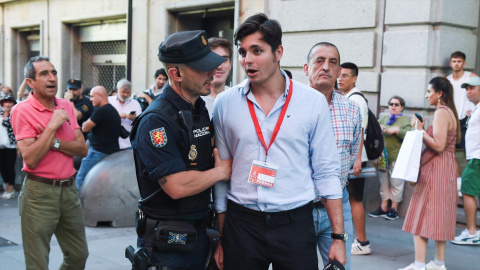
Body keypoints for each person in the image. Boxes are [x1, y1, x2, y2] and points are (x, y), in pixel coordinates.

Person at [213, 13, 345, 270]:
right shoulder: (225, 103)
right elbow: (222, 174)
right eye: (243, 52)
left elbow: (327, 172)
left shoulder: (312, 102)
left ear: (278, 52)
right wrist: (221, 236)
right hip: (242, 224)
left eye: (257, 50)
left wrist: (338, 237)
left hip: (294, 223)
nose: (247, 60)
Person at [130, 30, 232, 269]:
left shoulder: (198, 107)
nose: (211, 73)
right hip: (168, 242)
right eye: (202, 68)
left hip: (198, 231)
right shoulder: (156, 120)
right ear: (176, 73)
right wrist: (221, 172)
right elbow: (176, 186)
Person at [10, 56, 89, 269]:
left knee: (79, 256)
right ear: (30, 83)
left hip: (69, 190)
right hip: (39, 194)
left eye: (53, 72)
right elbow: (31, 158)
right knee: (37, 264)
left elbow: (82, 148)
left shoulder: (66, 106)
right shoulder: (21, 110)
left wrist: (49, 141)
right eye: (44, 74)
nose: (52, 78)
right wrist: (53, 125)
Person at [304, 42, 362, 270]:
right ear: (306, 68)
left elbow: (351, 152)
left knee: (339, 267)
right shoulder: (289, 107)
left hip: (338, 209)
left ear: (339, 71)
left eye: (333, 62)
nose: (326, 67)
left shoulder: (351, 110)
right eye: (319, 60)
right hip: (298, 211)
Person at [400, 77, 460, 270]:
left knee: (421, 215)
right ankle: (438, 264)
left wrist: (419, 130)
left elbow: (439, 146)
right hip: (446, 168)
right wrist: (424, 130)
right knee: (440, 217)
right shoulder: (451, 112)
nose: (426, 96)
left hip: (436, 168)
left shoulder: (442, 112)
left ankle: (419, 266)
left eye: (429, 91)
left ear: (439, 93)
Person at [338, 61, 371, 255]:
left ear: (354, 78)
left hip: (355, 159)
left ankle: (363, 242)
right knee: (350, 199)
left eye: (345, 76)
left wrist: (357, 159)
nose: (340, 79)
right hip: (350, 158)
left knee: (355, 200)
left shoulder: (356, 100)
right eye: (339, 75)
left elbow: (361, 132)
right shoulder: (347, 97)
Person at [369, 96, 412, 220]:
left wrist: (397, 131)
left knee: (396, 183)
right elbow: (372, 131)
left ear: (401, 107)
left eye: (396, 104)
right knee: (383, 182)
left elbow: (410, 136)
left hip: (398, 157)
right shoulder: (383, 118)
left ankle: (394, 209)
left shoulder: (405, 121)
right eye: (391, 104)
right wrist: (379, 129)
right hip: (382, 156)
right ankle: (383, 207)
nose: (393, 106)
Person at [75, 86, 123, 194]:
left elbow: (84, 127)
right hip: (111, 153)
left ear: (100, 96)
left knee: (81, 179)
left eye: (92, 96)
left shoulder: (101, 111)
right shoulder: (112, 110)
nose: (90, 99)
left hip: (97, 153)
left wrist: (87, 122)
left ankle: (79, 208)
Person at [452, 76, 480, 245]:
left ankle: (471, 232)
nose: (468, 92)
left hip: (478, 157)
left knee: (467, 190)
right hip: (475, 157)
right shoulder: (476, 108)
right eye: (467, 88)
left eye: (472, 88)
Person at [446, 51, 478, 195]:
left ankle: (468, 182)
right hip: (452, 119)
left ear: (464, 63)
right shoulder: (447, 80)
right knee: (451, 152)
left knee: (468, 151)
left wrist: (474, 109)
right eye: (454, 61)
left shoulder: (471, 77)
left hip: (467, 119)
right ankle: (459, 182)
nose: (456, 64)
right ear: (450, 63)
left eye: (459, 61)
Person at [201, 37, 233, 119]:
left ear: (230, 63)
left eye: (224, 60)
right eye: (213, 59)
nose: (219, 66)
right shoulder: (194, 101)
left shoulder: (237, 98)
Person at [108, 78, 142, 149]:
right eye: (123, 92)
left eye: (128, 92)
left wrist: (134, 119)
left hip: (128, 143)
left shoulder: (135, 104)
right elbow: (103, 117)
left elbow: (140, 122)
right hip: (110, 142)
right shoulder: (109, 100)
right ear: (117, 90)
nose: (125, 95)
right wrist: (117, 116)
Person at [0, 95, 19, 200]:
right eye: (5, 102)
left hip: (11, 146)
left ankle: (11, 189)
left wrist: (18, 146)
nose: (7, 104)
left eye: (10, 102)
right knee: (2, 168)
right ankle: (6, 188)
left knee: (10, 167)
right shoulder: (0, 114)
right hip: (1, 145)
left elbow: (17, 130)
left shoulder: (14, 115)